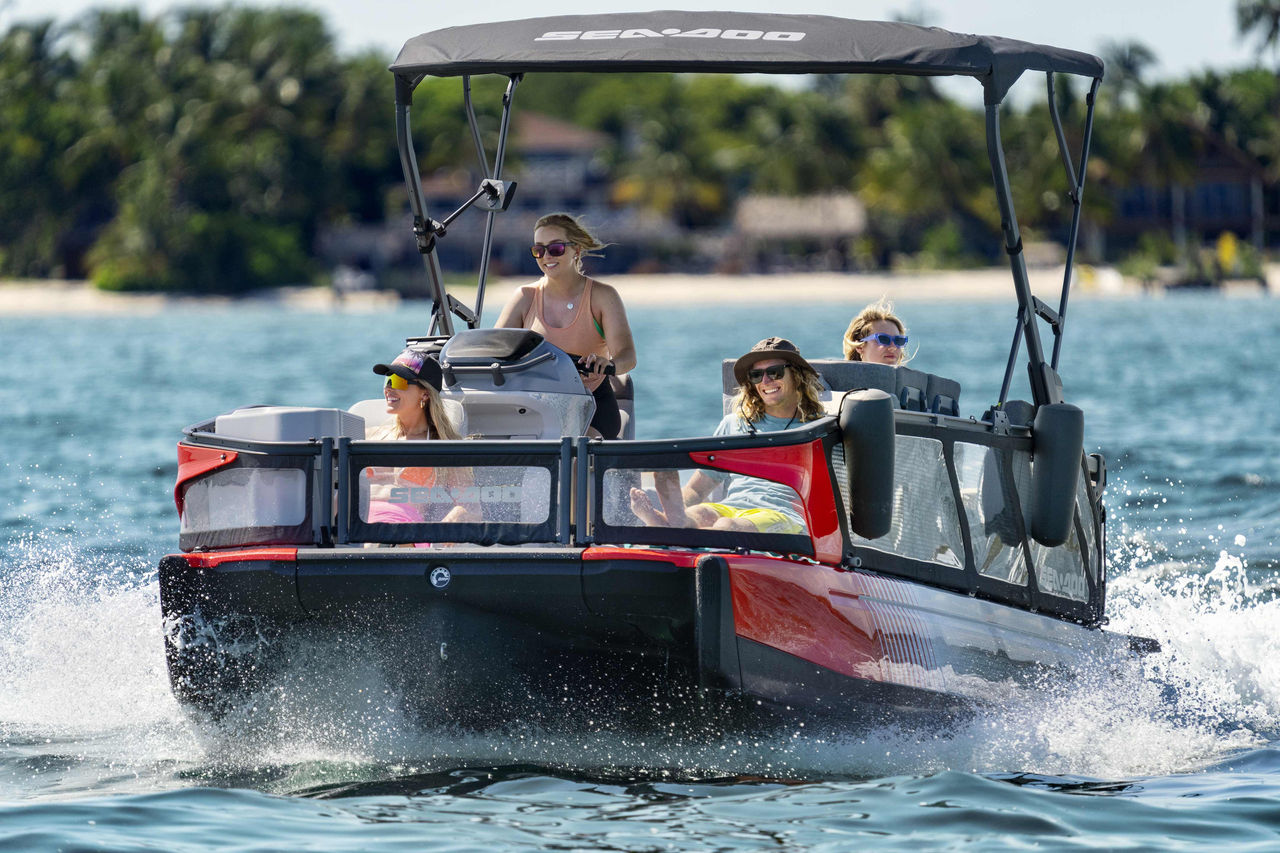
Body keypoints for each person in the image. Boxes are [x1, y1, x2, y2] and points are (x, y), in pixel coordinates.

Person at [629, 337, 825, 534]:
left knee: (725, 526)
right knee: (700, 514)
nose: (766, 381)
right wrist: (678, 509)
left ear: (797, 376)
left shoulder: (817, 429)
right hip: (733, 506)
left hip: (783, 515)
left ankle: (667, 526)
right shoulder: (734, 424)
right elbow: (698, 489)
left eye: (775, 372)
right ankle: (675, 522)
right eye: (756, 375)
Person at [494, 213, 637, 439]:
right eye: (538, 250)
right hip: (534, 406)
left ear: (576, 250)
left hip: (591, 404)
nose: (546, 256)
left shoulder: (603, 296)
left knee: (571, 456)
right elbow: (493, 352)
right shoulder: (523, 297)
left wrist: (607, 364)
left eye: (556, 248)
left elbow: (628, 357)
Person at [366, 348, 476, 527]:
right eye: (388, 380)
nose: (389, 388)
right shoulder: (367, 435)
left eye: (399, 381)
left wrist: (455, 517)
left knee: (373, 546)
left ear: (425, 393)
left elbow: (471, 508)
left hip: (400, 528)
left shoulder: (443, 446)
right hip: (356, 523)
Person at [842, 299, 909, 365]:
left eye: (898, 340)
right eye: (883, 339)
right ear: (859, 346)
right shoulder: (838, 375)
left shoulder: (911, 376)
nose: (893, 347)